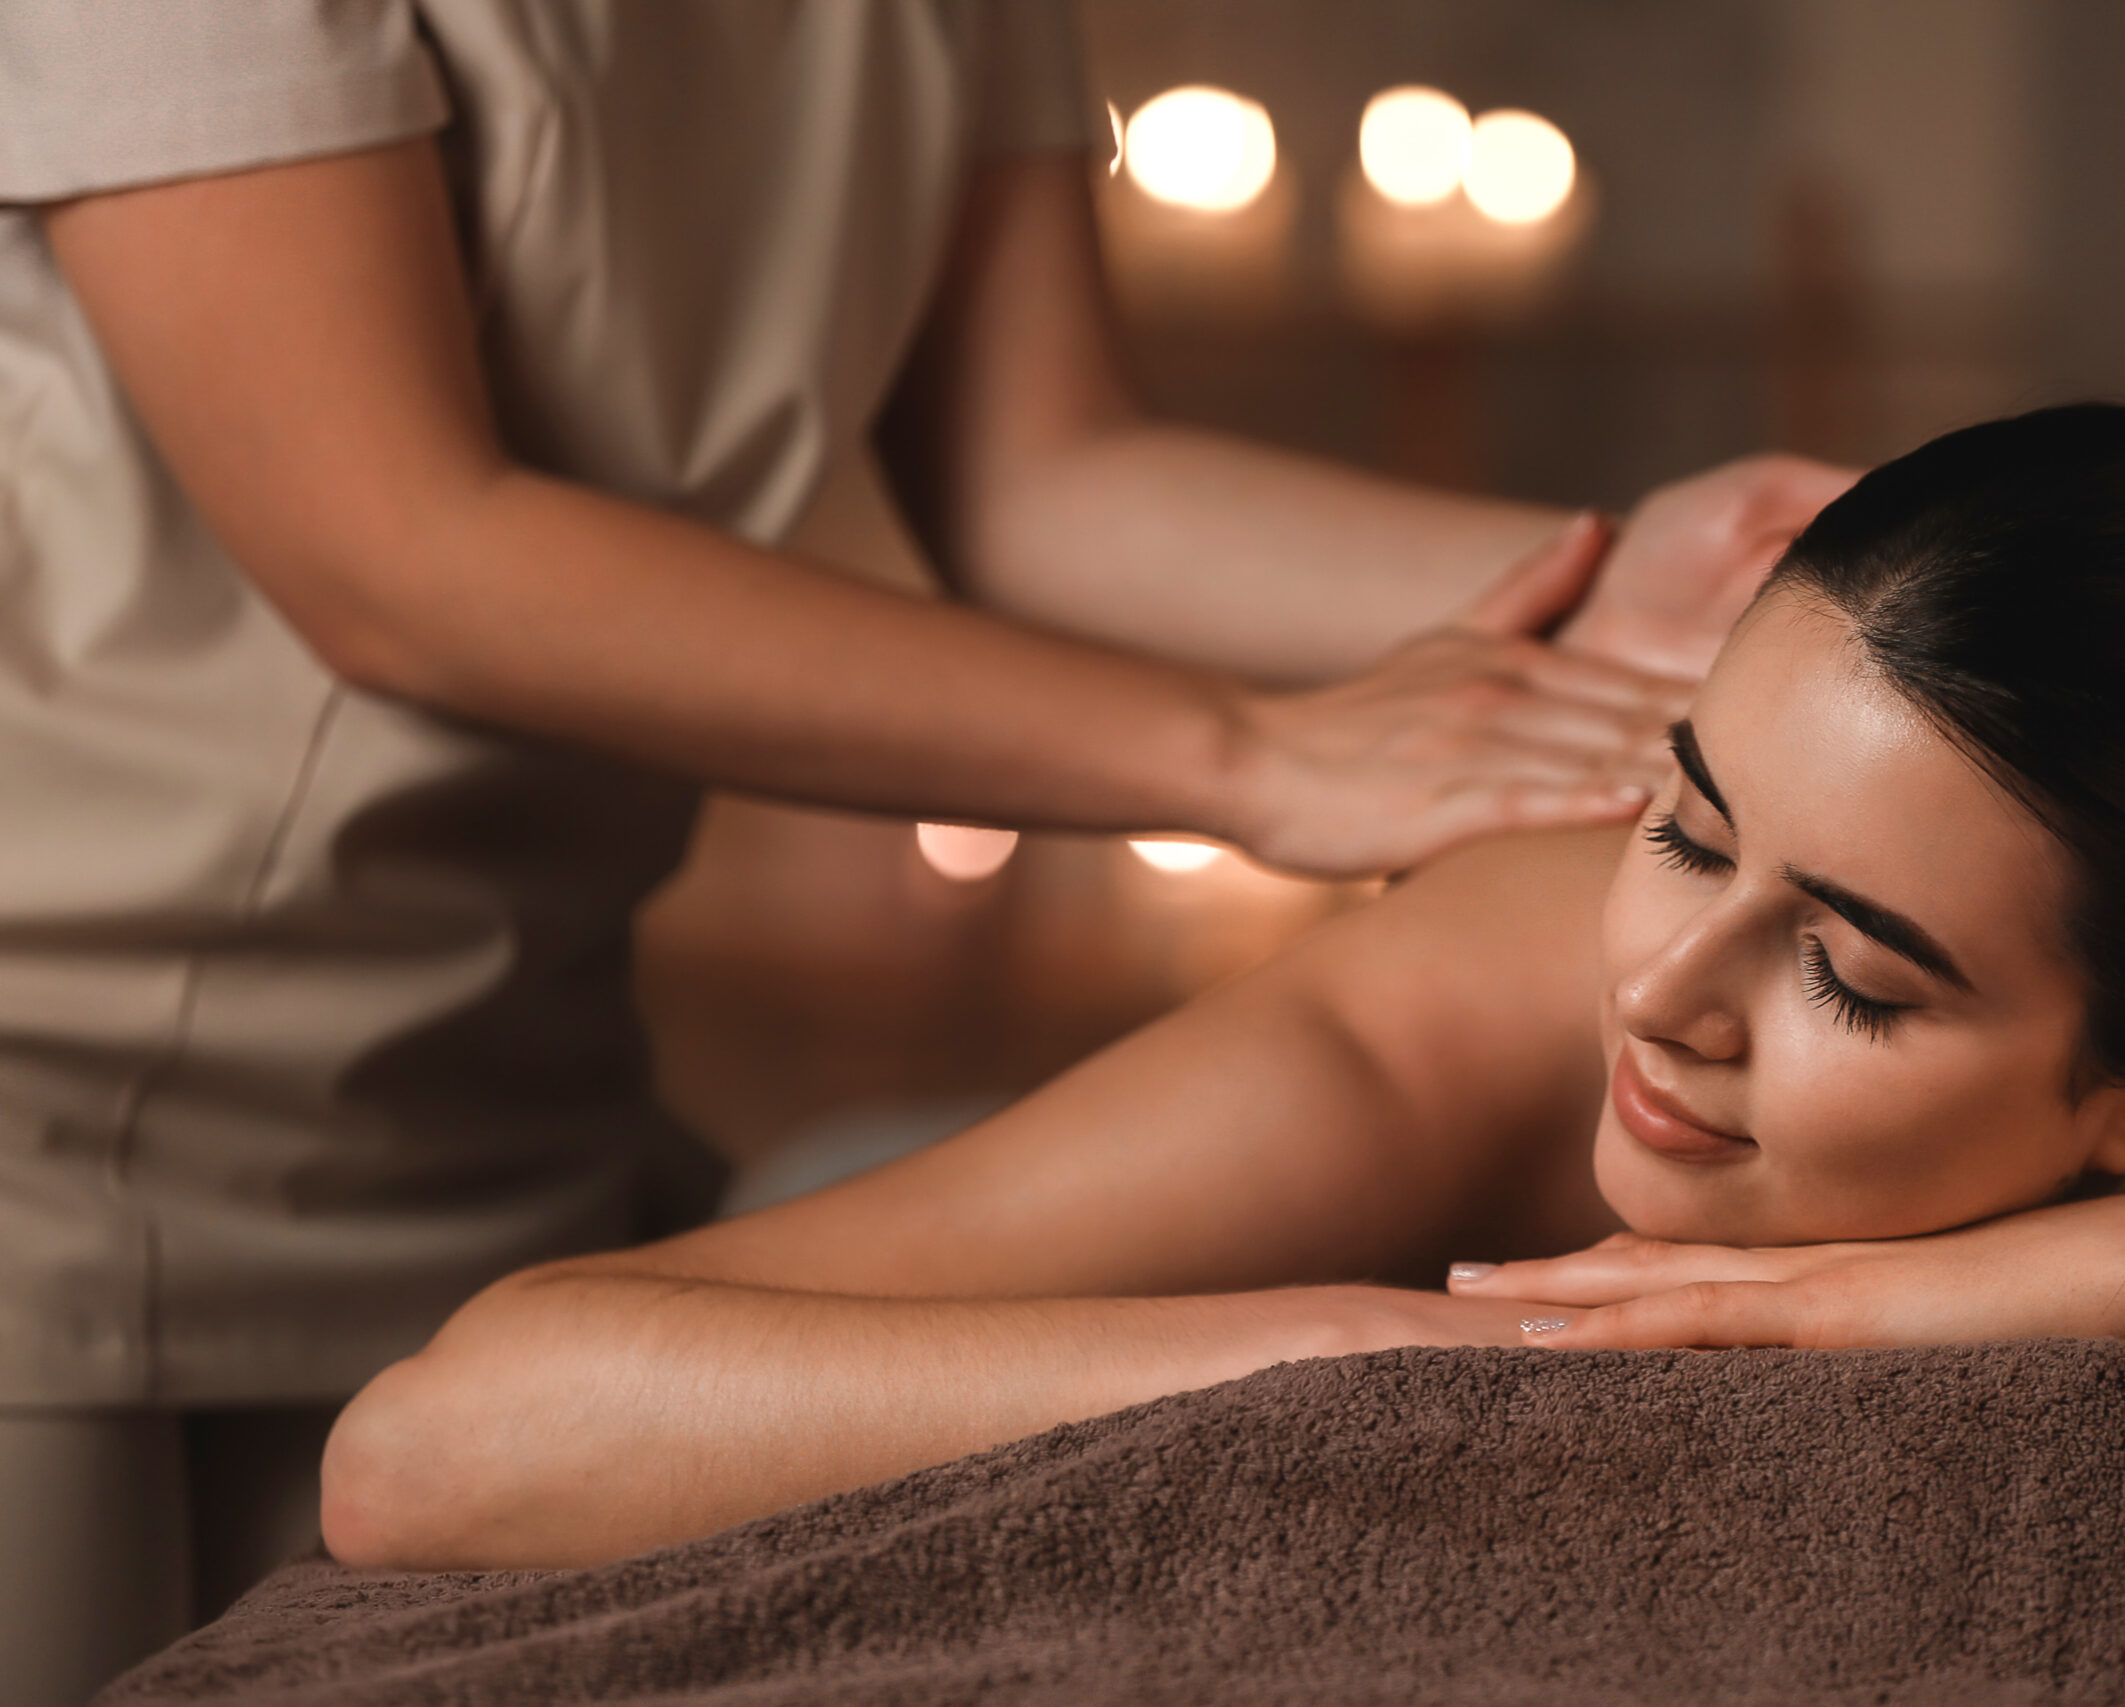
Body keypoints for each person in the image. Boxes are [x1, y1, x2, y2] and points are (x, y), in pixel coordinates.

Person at [0, 2, 1852, 1697]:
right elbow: (402, 553)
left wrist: (1641, 595)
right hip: (55, 1081)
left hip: (483, 1082)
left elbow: (1038, 474)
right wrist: (1245, 762)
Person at [320, 404, 2125, 1573]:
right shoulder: (1517, 968)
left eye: (1850, 972)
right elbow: (439, 1445)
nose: (1662, 989)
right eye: (1683, 822)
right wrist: (1377, 1349)